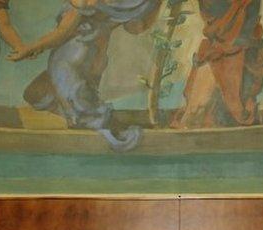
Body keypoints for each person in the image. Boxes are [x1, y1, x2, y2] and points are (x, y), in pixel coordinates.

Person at [9, 0, 161, 152]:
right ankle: (87, 122)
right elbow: (134, 27)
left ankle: (97, 130)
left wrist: (31, 48)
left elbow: (61, 33)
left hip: (70, 59)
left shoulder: (86, 3)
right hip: (87, 57)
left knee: (83, 113)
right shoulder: (120, 5)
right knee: (38, 94)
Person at [171, 0, 263, 129]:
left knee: (212, 112)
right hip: (218, 49)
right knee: (194, 113)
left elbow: (245, 29)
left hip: (240, 53)